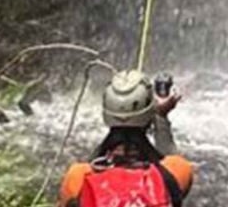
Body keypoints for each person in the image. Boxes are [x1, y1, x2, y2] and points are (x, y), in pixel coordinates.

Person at [59, 70, 195, 207]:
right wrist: (160, 117)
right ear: (148, 117)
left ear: (107, 115)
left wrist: (114, 136)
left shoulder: (78, 176)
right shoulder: (174, 173)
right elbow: (174, 162)